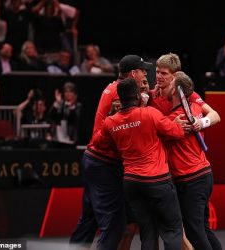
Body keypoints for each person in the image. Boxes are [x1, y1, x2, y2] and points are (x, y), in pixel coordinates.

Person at [69, 55, 153, 250]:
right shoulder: (121, 93)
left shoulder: (113, 86)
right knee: (115, 225)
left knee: (88, 222)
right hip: (104, 164)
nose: (145, 74)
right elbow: (133, 124)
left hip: (92, 159)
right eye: (143, 71)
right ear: (133, 74)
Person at [96, 78, 185, 250]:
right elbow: (178, 132)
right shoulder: (150, 113)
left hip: (131, 184)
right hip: (157, 181)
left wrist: (111, 117)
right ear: (138, 95)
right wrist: (175, 124)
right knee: (172, 230)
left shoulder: (110, 122)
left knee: (148, 230)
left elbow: (98, 143)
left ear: (119, 100)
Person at [167, 71, 222, 250]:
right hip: (204, 175)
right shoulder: (195, 108)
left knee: (195, 232)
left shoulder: (176, 119)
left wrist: (202, 123)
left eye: (169, 82)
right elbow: (212, 114)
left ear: (176, 91)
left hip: (192, 180)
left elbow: (215, 116)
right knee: (203, 229)